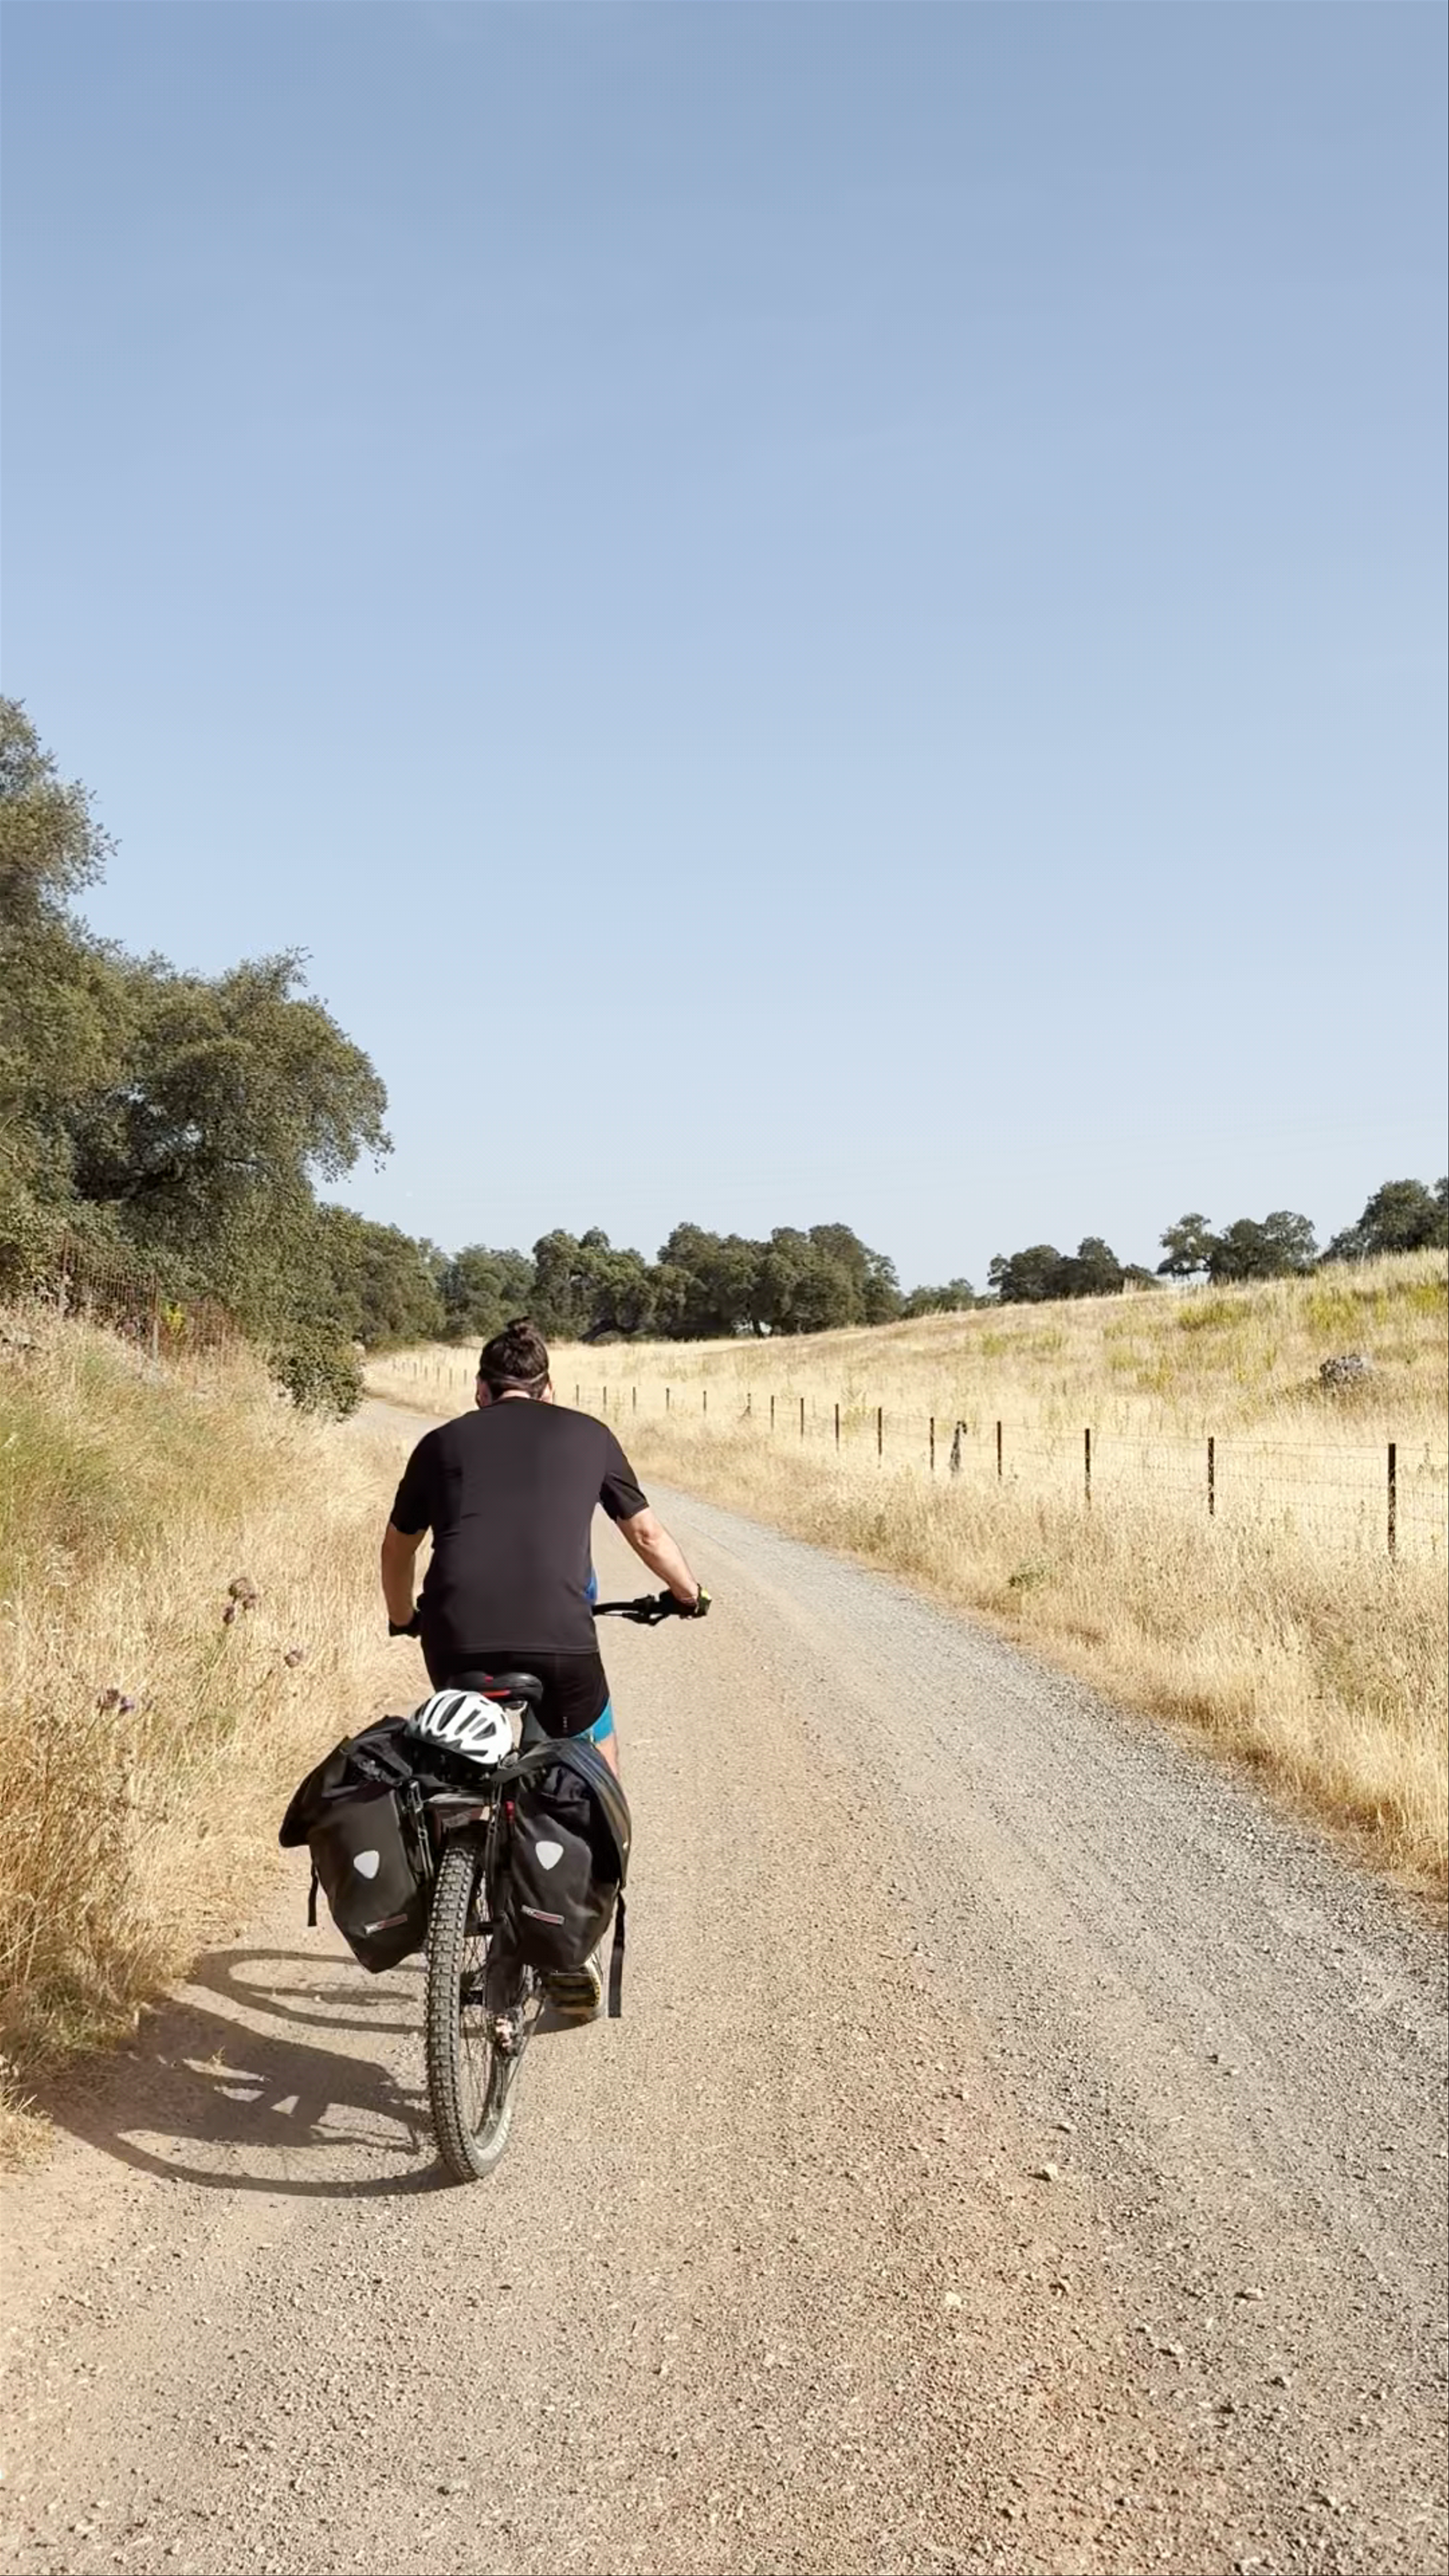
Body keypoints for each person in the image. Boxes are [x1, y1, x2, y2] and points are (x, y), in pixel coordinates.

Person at [380, 1316, 705, 1789]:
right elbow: (647, 1535)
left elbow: (396, 1549)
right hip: (560, 1640)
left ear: (480, 1389)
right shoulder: (592, 1435)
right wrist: (688, 1593)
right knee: (595, 1750)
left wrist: (404, 1617)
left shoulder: (439, 1444)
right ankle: (598, 1855)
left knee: (454, 1757)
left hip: (455, 1638)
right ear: (548, 1388)